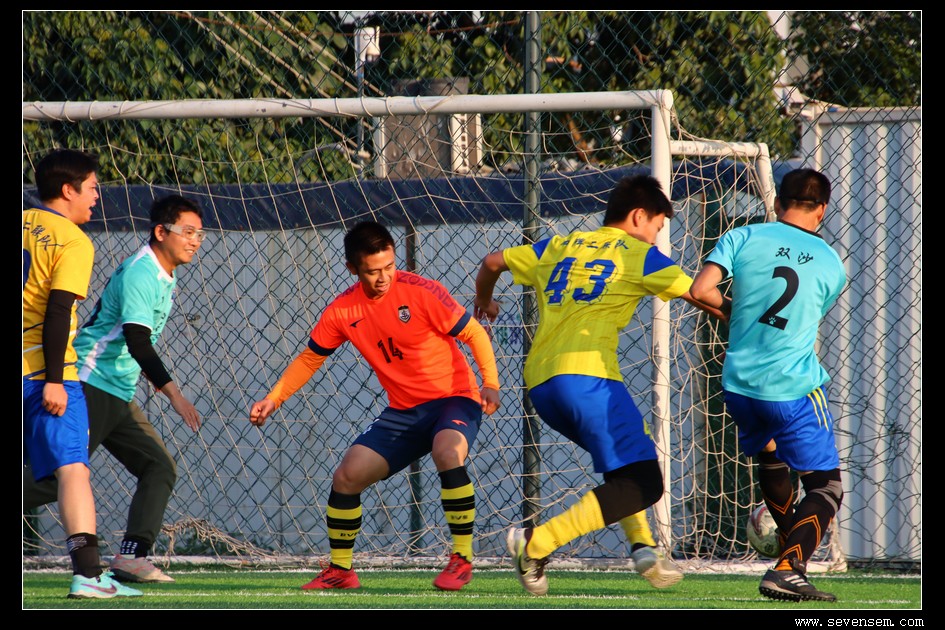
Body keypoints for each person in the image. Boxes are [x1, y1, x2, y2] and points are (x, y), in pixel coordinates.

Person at [474, 174, 727, 596]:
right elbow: (704, 297)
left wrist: (484, 300)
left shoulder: (559, 245)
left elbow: (491, 262)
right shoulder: (639, 255)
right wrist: (748, 317)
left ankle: (643, 546)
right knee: (646, 483)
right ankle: (536, 543)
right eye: (657, 228)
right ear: (639, 216)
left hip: (541, 384)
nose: (656, 239)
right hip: (589, 378)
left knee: (626, 461)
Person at [249, 220, 501, 592]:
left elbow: (474, 332)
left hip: (454, 399)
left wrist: (490, 383)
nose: (384, 277)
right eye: (372, 271)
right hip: (404, 412)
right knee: (347, 476)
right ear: (353, 268)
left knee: (447, 453)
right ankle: (341, 571)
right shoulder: (342, 310)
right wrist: (274, 398)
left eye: (389, 266)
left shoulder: (422, 292)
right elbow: (310, 358)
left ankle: (461, 559)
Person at [24, 194, 205, 585]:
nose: (195, 241)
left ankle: (132, 557)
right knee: (59, 476)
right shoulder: (142, 273)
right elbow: (138, 341)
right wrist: (174, 394)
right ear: (161, 232)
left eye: (199, 234)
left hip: (117, 390)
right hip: (92, 382)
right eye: (188, 231)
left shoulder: (162, 272)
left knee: (158, 467)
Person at [690, 167, 845, 603]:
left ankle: (786, 549)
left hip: (739, 385)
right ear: (822, 210)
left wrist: (735, 311)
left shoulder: (742, 236)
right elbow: (801, 316)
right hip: (791, 387)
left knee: (770, 453)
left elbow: (701, 290)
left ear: (778, 203)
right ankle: (789, 567)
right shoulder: (831, 263)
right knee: (826, 487)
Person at [23, 149, 142, 599]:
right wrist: (55, 379)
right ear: (68, 190)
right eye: (92, 187)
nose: (97, 196)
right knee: (73, 469)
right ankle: (89, 574)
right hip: (43, 373)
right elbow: (58, 311)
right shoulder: (72, 241)